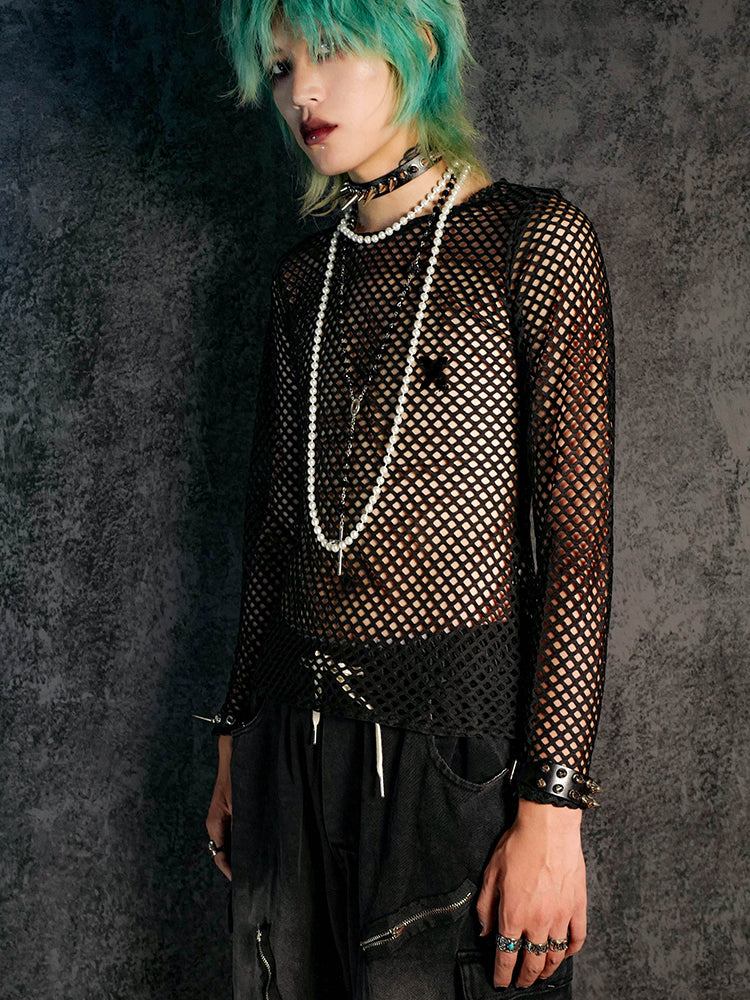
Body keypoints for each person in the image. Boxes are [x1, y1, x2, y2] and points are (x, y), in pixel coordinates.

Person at [204, 1, 615, 997]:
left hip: (455, 756)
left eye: (329, 49)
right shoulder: (302, 278)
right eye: (280, 65)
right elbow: (274, 531)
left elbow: (577, 546)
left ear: (418, 44)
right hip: (291, 744)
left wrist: (552, 810)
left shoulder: (533, 242)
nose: (301, 90)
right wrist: (235, 741)